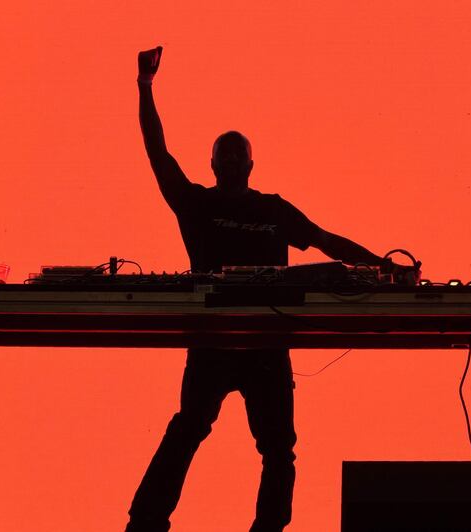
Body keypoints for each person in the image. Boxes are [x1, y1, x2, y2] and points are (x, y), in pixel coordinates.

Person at [127, 46, 411, 532]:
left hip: (266, 346)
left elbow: (326, 241)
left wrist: (381, 266)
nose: (233, 157)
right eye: (226, 151)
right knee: (190, 428)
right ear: (214, 163)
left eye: (240, 152)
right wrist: (145, 87)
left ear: (250, 165)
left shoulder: (274, 209)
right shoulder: (194, 204)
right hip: (213, 342)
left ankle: (268, 528)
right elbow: (158, 153)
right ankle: (147, 521)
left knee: (277, 446)